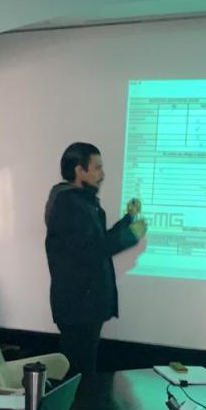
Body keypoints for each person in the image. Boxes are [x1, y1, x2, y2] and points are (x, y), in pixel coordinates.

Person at [45, 142, 146, 378]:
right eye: (97, 168)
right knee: (79, 374)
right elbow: (91, 250)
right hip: (78, 307)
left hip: (85, 306)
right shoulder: (68, 204)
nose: (103, 174)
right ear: (79, 171)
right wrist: (130, 236)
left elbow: (98, 241)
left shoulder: (81, 201)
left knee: (84, 371)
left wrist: (128, 219)